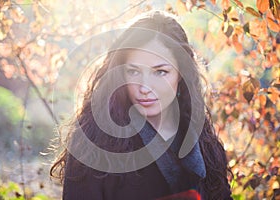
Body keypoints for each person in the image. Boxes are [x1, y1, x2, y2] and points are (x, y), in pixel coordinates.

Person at [50, 10, 233, 200]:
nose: (145, 88)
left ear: (181, 73)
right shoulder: (93, 141)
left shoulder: (205, 142)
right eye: (134, 72)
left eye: (160, 72)